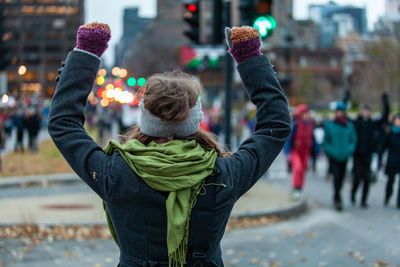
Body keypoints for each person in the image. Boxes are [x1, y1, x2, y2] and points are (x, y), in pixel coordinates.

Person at [47, 23, 291, 267]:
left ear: (145, 118)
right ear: (196, 119)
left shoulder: (116, 173)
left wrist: (86, 53)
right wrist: (249, 57)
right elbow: (275, 125)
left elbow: (64, 124)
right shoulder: (223, 174)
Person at [351, 98, 389, 208]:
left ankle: (363, 200)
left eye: (368, 111)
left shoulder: (372, 123)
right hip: (358, 154)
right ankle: (353, 193)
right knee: (357, 178)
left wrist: (386, 104)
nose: (366, 113)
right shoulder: (357, 122)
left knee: (366, 179)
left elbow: (384, 118)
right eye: (365, 110)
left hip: (368, 154)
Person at [323, 102, 357, 211]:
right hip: (333, 156)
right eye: (337, 111)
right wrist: (329, 151)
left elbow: (353, 139)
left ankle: (337, 194)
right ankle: (337, 198)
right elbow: (325, 141)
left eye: (341, 111)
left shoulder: (349, 125)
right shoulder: (330, 125)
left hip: (344, 156)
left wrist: (349, 150)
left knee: (341, 177)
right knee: (336, 176)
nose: (339, 113)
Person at [285, 104, 317, 198]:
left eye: (307, 113)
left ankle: (299, 188)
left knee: (302, 171)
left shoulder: (310, 125)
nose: (307, 115)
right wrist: (287, 153)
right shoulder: (295, 124)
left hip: (305, 152)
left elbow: (313, 139)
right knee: (298, 169)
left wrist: (317, 151)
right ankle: (296, 188)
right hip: (296, 151)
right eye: (305, 113)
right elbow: (288, 140)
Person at [380, 114, 400, 208]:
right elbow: (383, 147)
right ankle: (387, 196)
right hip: (392, 160)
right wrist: (380, 159)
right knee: (390, 181)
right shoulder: (390, 133)